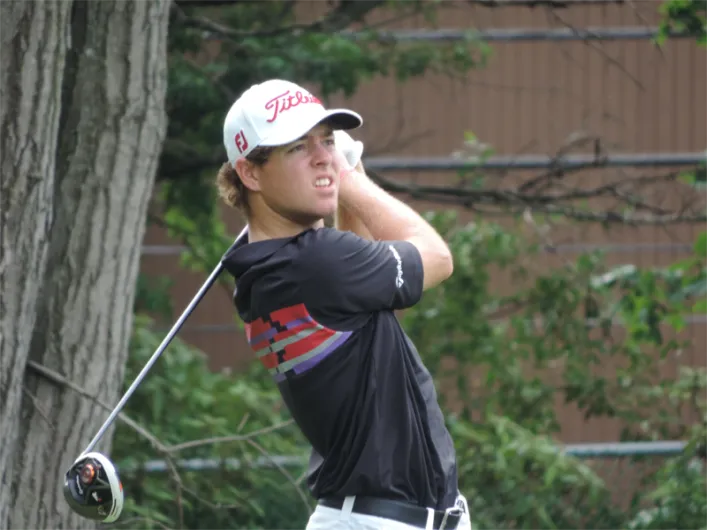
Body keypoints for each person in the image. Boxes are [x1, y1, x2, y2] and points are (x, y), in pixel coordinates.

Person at [216, 78, 471, 530]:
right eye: (298, 147)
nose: (324, 157)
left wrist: (337, 186)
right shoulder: (318, 262)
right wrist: (350, 180)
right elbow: (437, 258)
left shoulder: (263, 275)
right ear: (251, 173)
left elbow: (367, 290)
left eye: (327, 141)